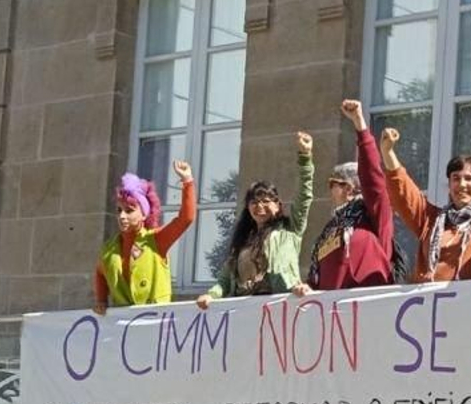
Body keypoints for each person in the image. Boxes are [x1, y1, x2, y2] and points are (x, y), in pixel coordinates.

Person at [196, 132, 315, 309]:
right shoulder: (243, 239)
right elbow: (224, 281)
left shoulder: (290, 229)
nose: (259, 206)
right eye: (254, 202)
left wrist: (305, 158)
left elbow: (304, 197)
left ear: (278, 205)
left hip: (280, 306)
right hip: (244, 310)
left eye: (266, 201)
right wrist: (210, 295)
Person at [381, 129, 471, 282]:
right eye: (456, 178)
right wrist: (387, 151)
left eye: (469, 178)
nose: (462, 184)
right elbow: (404, 193)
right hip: (429, 303)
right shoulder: (431, 219)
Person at [298, 100, 405, 294]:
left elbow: (373, 178)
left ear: (349, 188)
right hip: (334, 318)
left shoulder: (372, 216)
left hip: (368, 312)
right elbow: (318, 279)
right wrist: (307, 289)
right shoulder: (328, 232)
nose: (329, 189)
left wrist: (359, 124)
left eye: (332, 183)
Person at [93, 163, 196, 314]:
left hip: (155, 324)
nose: (122, 216)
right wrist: (101, 300)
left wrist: (187, 181)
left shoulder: (156, 239)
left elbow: (185, 219)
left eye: (129, 211)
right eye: (119, 210)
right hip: (124, 328)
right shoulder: (110, 249)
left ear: (144, 214)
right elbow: (100, 272)